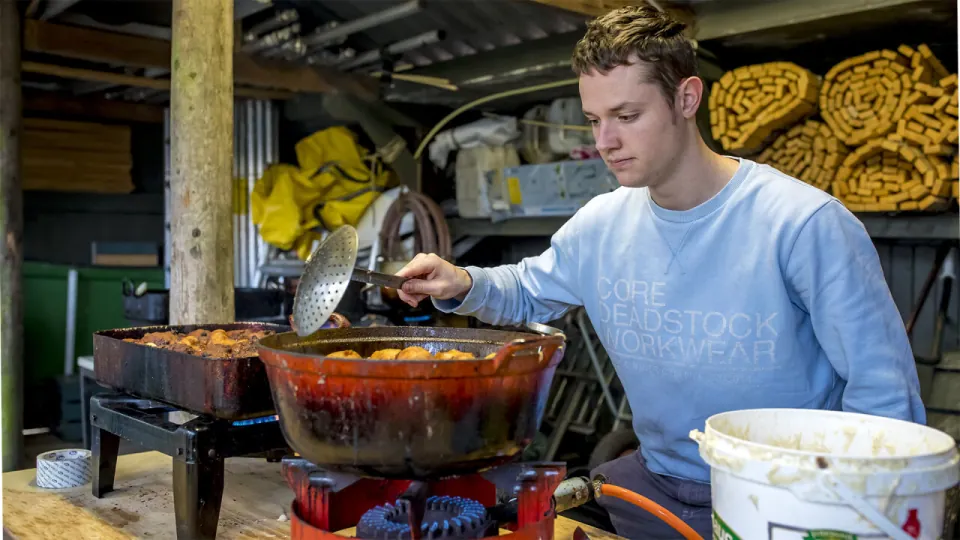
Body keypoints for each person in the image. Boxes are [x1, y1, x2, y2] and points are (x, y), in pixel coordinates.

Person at [394, 5, 925, 538]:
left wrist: (858, 517)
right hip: (659, 483)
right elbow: (527, 291)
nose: (605, 142)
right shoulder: (600, 226)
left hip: (788, 497)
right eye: (594, 120)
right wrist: (461, 282)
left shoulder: (803, 224)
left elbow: (884, 399)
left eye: (626, 117)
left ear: (687, 98)